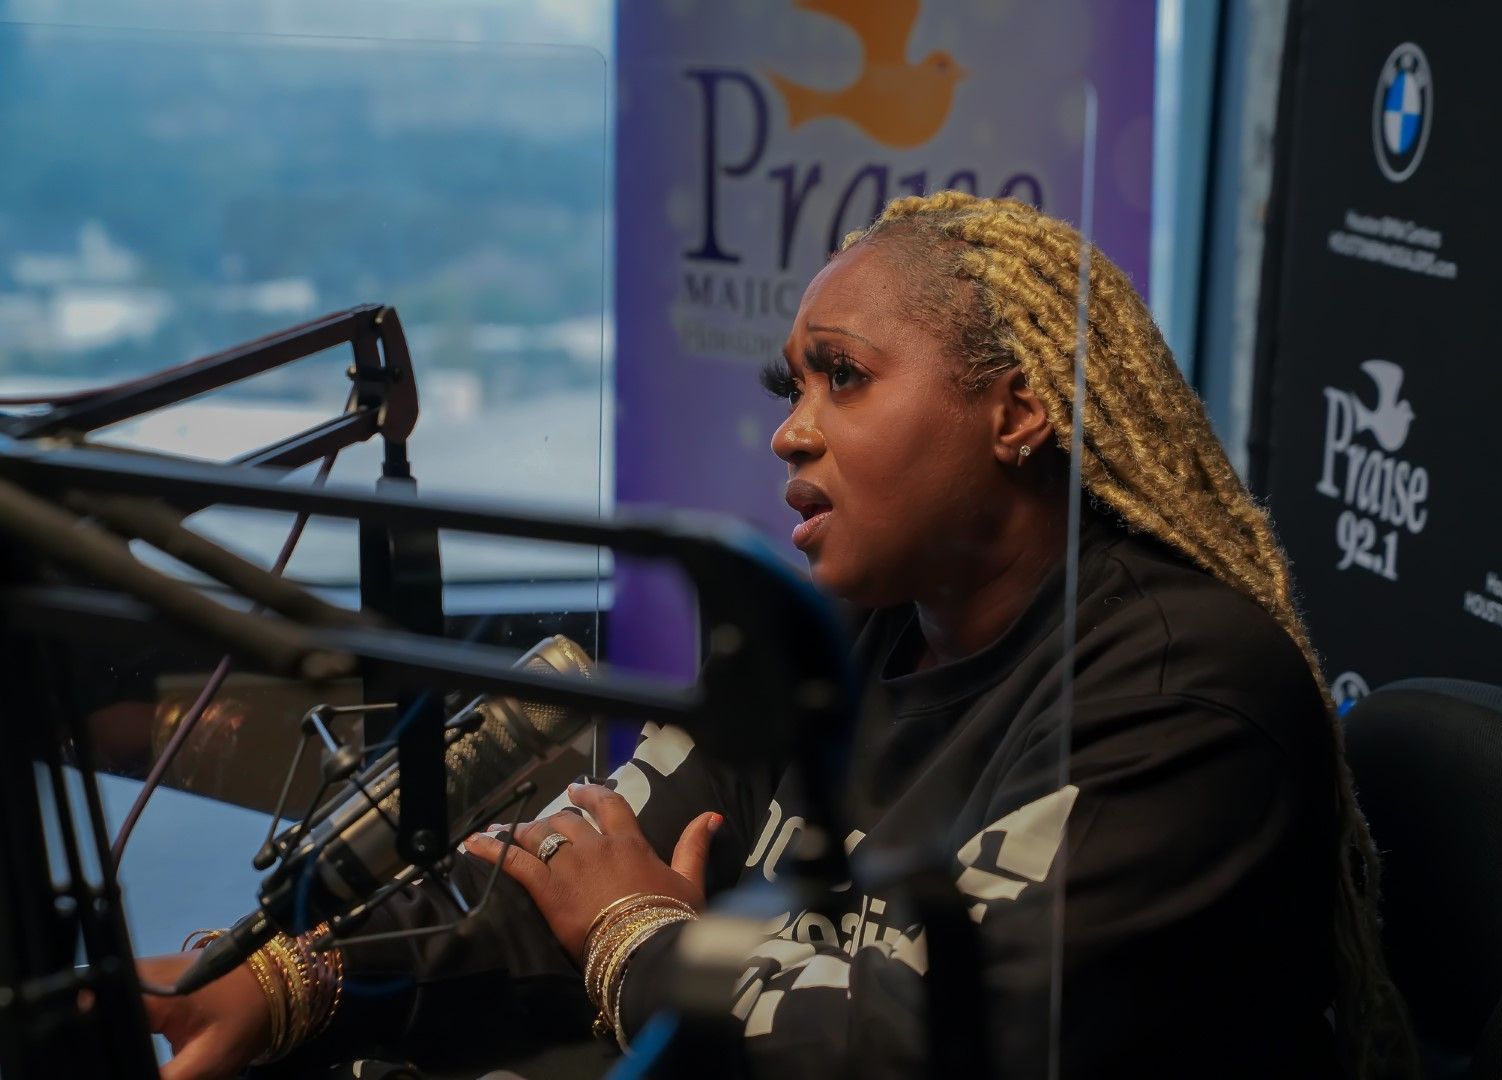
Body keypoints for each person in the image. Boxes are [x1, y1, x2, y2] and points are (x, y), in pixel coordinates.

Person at [141, 191, 1415, 1079]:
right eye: (790, 387)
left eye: (841, 377)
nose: (789, 432)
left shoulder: (1183, 699)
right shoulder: (850, 636)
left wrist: (644, 946)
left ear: (1019, 412)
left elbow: (927, 1050)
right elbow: (569, 883)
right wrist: (297, 978)